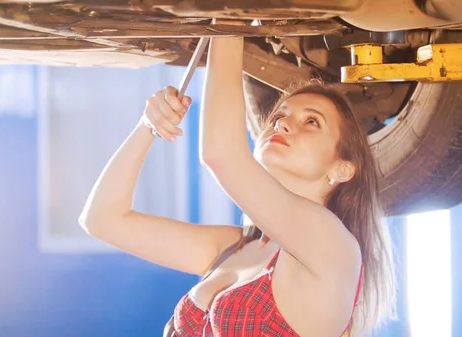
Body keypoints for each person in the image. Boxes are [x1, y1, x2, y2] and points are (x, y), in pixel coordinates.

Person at [79, 33, 396, 337]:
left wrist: (229, 23)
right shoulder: (232, 247)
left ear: (342, 169)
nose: (282, 123)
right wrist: (148, 125)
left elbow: (220, 153)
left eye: (311, 121)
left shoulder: (333, 247)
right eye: (277, 117)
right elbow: (103, 219)